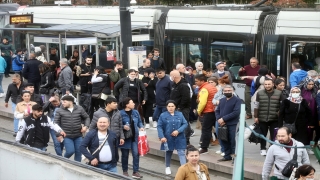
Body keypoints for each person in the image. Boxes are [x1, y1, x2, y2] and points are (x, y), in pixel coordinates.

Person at [54, 95, 90, 162]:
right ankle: (63, 161)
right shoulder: (59, 110)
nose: (62, 103)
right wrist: (58, 134)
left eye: (64, 102)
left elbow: (86, 117)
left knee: (79, 153)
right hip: (66, 135)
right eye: (62, 102)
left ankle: (77, 166)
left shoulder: (79, 108)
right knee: (70, 151)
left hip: (78, 135)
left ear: (70, 102)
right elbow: (55, 123)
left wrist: (86, 126)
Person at [157, 100, 188, 175]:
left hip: (179, 137)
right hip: (168, 137)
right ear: (166, 107)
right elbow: (159, 126)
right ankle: (167, 167)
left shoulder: (180, 114)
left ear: (175, 107)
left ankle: (184, 168)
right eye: (169, 106)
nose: (170, 108)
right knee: (168, 151)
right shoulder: (163, 115)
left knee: (181, 152)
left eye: (172, 106)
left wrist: (178, 131)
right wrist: (162, 136)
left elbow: (185, 123)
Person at [254, 79, 283, 156]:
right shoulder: (259, 93)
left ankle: (273, 148)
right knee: (263, 134)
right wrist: (256, 116)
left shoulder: (279, 93)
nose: (267, 86)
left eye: (269, 84)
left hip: (275, 118)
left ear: (273, 84)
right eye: (265, 84)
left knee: (275, 134)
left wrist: (280, 114)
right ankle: (263, 148)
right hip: (262, 117)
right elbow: (256, 105)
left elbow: (282, 106)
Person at [119, 97, 144, 178]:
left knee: (136, 154)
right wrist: (123, 126)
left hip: (135, 137)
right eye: (132, 102)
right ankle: (125, 171)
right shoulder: (120, 113)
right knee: (125, 155)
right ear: (127, 105)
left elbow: (140, 121)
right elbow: (117, 124)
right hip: (125, 137)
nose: (134, 104)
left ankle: (135, 171)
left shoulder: (135, 112)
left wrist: (141, 127)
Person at [215, 85, 241, 162]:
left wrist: (223, 119)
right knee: (223, 139)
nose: (227, 92)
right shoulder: (222, 100)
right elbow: (217, 110)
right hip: (222, 124)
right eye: (225, 91)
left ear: (233, 91)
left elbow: (236, 112)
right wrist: (219, 119)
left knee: (233, 141)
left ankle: (234, 157)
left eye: (229, 90)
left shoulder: (237, 100)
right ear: (223, 92)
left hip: (233, 124)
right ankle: (227, 156)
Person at [195, 74, 218, 154]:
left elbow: (203, 102)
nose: (195, 83)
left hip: (208, 111)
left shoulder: (204, 89)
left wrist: (198, 111)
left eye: (197, 81)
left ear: (202, 81)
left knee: (206, 130)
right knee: (217, 128)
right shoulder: (212, 87)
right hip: (214, 110)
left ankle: (204, 147)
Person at [170, 70, 192, 146]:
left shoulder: (183, 85)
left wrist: (180, 107)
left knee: (184, 123)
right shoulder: (174, 84)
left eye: (170, 75)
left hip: (182, 108)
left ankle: (186, 140)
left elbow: (186, 98)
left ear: (174, 76)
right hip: (175, 107)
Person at [212, 75, 233, 154]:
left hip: (227, 117)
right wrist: (217, 102)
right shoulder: (219, 91)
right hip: (219, 116)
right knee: (219, 133)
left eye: (220, 84)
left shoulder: (232, 94)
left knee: (226, 134)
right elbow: (213, 100)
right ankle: (223, 148)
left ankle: (227, 150)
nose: (219, 86)